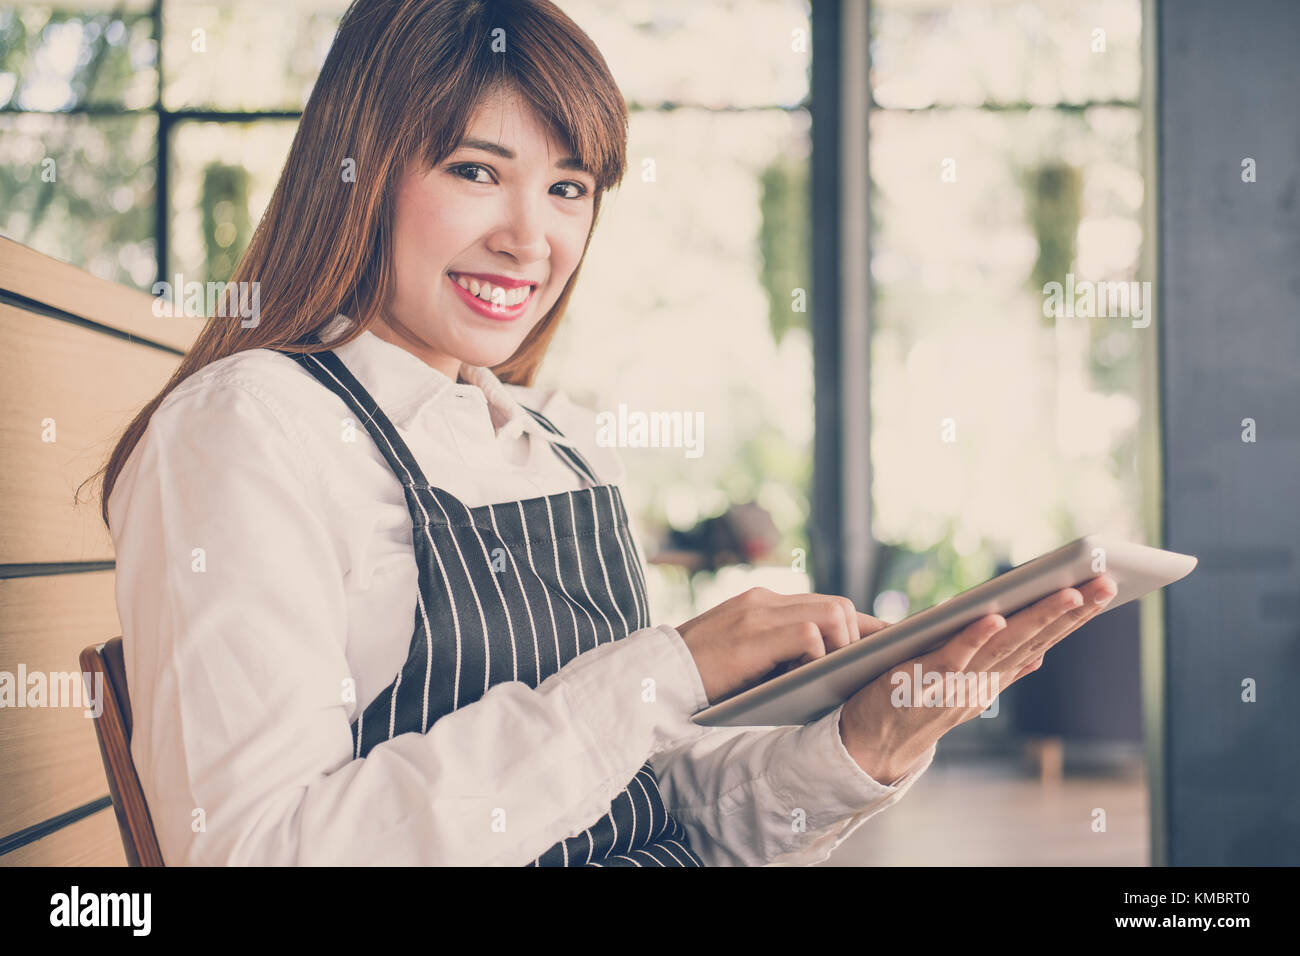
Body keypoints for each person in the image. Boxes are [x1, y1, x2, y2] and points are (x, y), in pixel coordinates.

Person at [96, 0, 1117, 867]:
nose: (530, 238)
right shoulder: (246, 434)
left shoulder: (561, 440)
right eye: (474, 170)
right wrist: (662, 671)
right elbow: (261, 851)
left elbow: (669, 807)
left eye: (569, 188)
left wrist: (866, 740)